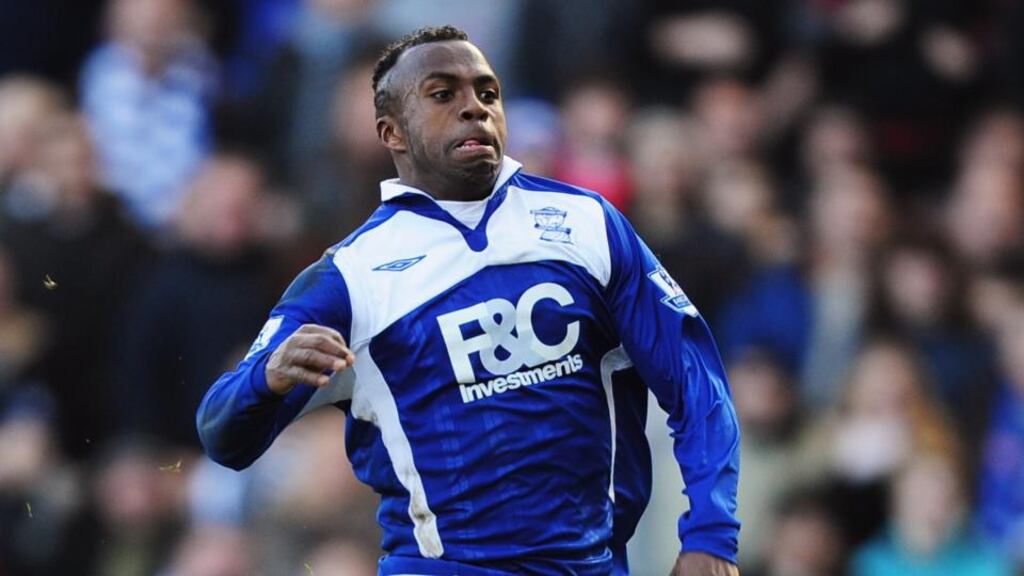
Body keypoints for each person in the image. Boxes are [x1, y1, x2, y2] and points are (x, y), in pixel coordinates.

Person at [197, 25, 741, 575]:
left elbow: (697, 384)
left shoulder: (588, 225)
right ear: (392, 132)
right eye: (442, 94)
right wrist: (266, 378)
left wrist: (712, 534)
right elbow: (223, 435)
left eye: (487, 93)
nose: (474, 109)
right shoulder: (351, 275)